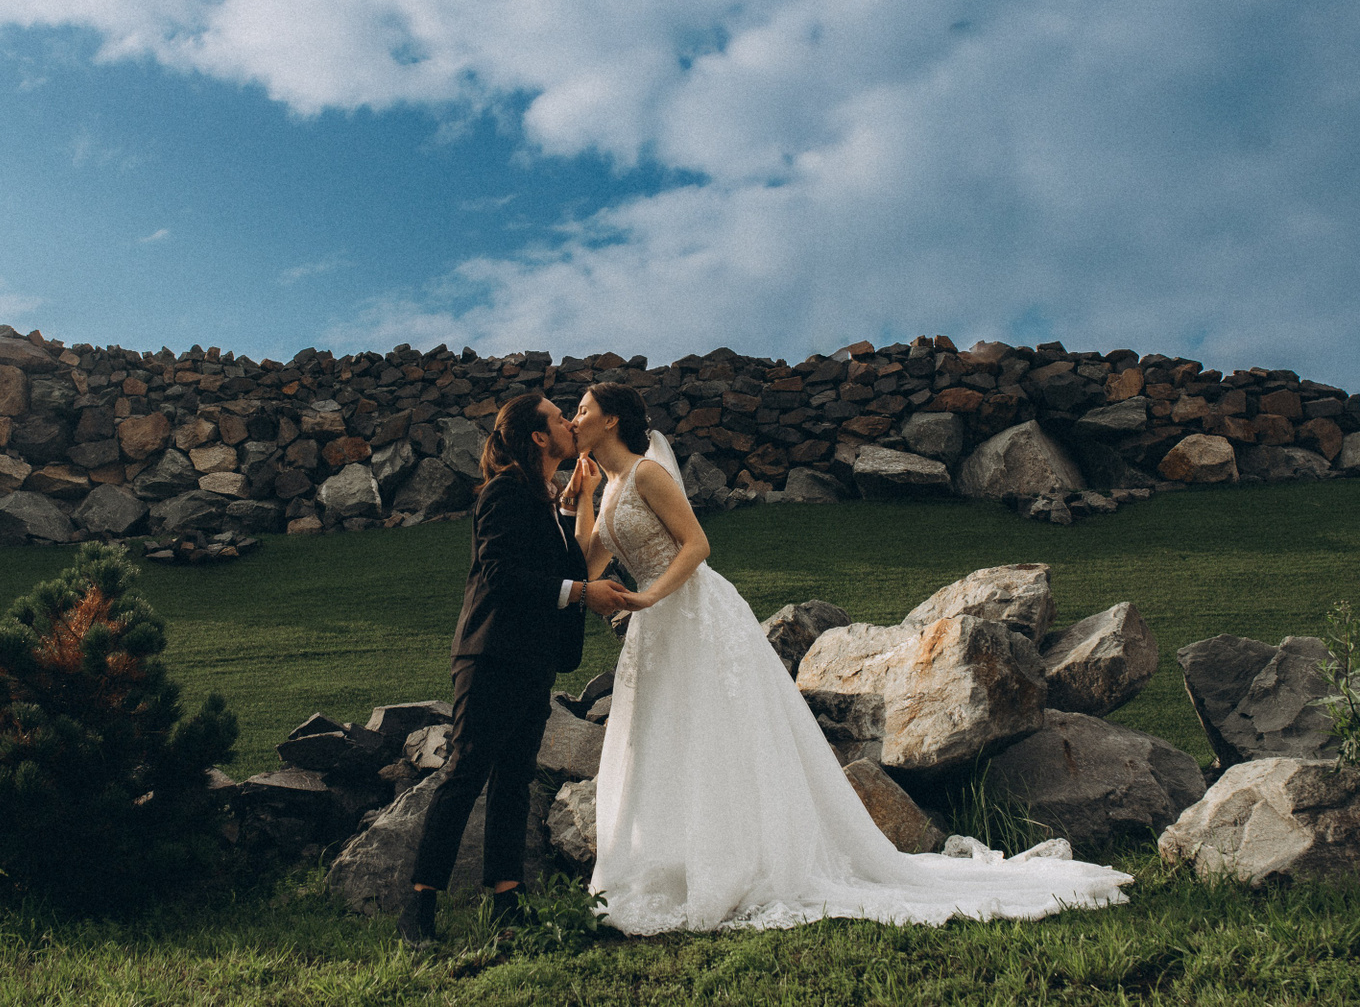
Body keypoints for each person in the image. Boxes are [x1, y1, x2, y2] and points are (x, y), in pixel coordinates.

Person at [563, 381, 1132, 935]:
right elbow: (589, 565)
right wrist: (583, 499)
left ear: (612, 419)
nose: (574, 418)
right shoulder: (611, 486)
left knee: (721, 730)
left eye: (582, 410)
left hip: (692, 612)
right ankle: (679, 860)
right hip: (656, 629)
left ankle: (743, 861)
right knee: (666, 734)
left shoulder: (648, 474)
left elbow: (698, 545)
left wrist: (650, 596)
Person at [398, 393, 626, 947]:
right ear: (539, 437)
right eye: (559, 417)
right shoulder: (503, 492)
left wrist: (574, 506)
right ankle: (417, 911)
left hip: (530, 659)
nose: (570, 422)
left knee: (514, 780)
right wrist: (583, 593)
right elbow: (501, 573)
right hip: (492, 656)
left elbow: (564, 565)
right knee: (465, 774)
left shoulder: (542, 497)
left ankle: (507, 904)